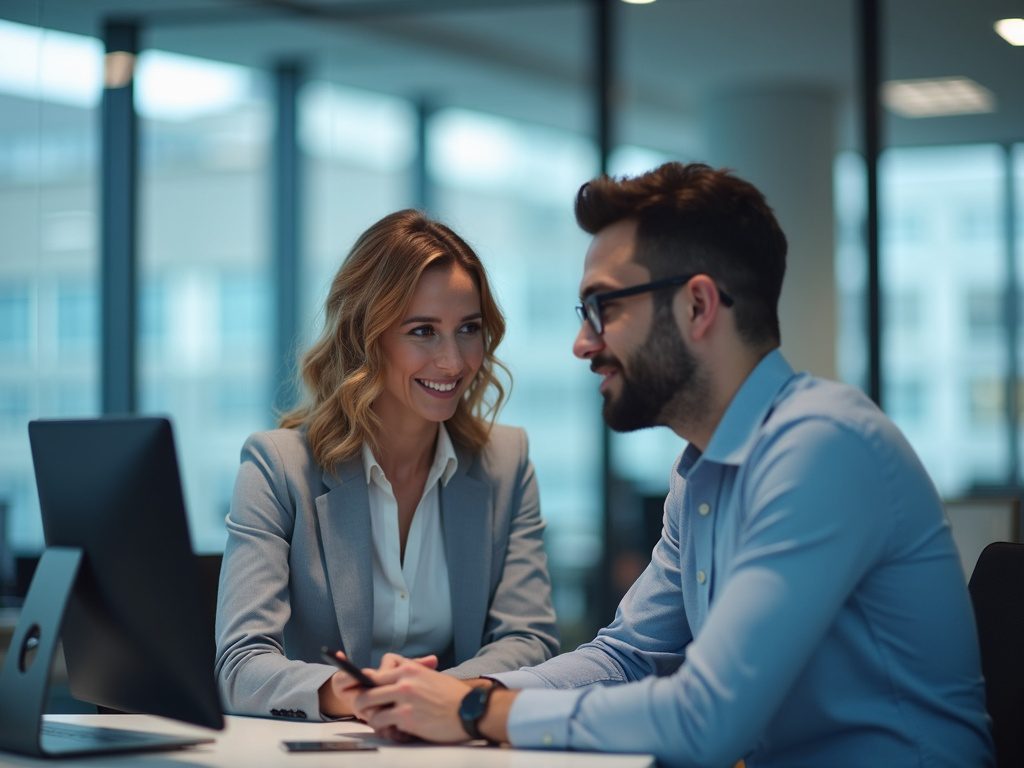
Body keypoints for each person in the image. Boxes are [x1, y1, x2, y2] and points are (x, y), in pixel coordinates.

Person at [350, 164, 995, 767]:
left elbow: (707, 718)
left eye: (605, 308)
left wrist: (474, 711)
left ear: (697, 306)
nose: (583, 343)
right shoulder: (701, 473)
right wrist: (463, 693)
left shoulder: (822, 447)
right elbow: (627, 656)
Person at [214, 209, 559, 722]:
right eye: (423, 331)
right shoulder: (277, 468)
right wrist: (356, 694)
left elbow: (529, 639)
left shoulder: (506, 463)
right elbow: (240, 665)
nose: (454, 361)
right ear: (365, 337)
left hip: (451, 744)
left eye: (468, 329)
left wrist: (433, 698)